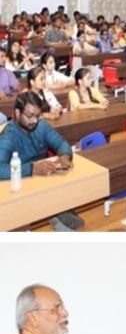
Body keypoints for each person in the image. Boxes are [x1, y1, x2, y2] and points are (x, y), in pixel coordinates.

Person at [0, 91, 86, 230]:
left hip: (46, 181)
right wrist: (33, 168)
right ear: (17, 113)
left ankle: (56, 211)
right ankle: (56, 212)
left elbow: (61, 143)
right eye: (30, 116)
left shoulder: (41, 125)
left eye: (38, 115)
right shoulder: (8, 137)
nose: (34, 120)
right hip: (21, 186)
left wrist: (64, 156)